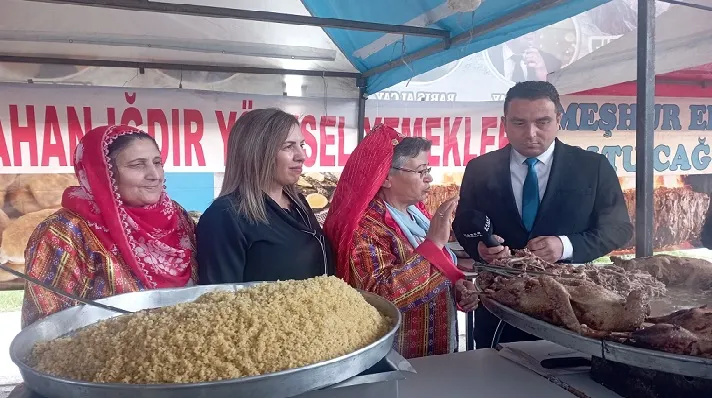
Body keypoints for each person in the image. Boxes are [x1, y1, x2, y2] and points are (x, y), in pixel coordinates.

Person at [453, 81, 633, 348]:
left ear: (559, 119)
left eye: (542, 122)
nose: (531, 133)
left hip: (575, 309)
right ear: (505, 122)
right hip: (500, 308)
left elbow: (619, 228)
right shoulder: (480, 168)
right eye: (519, 123)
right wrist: (480, 247)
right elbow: (465, 222)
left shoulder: (592, 167)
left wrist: (565, 246)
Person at [323, 124, 479, 359]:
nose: (429, 178)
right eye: (421, 171)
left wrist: (455, 286)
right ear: (386, 176)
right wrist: (433, 245)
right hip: (397, 357)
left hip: (437, 351)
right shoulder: (365, 227)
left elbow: (433, 271)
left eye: (429, 169)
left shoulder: (417, 213)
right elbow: (379, 297)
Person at [21, 125, 198, 328]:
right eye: (137, 165)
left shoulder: (176, 217)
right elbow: (46, 328)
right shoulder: (63, 232)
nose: (154, 174)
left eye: (157, 162)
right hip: (106, 357)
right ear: (102, 173)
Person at [197, 108, 334, 284]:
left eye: (302, 145)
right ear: (257, 152)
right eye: (288, 146)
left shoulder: (299, 203)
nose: (302, 156)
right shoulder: (225, 215)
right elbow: (220, 300)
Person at [487, 32, 562, 82]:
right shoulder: (487, 58)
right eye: (524, 28)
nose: (530, 35)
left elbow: (554, 98)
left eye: (534, 28)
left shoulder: (551, 62)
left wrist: (542, 72)